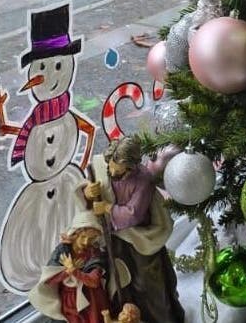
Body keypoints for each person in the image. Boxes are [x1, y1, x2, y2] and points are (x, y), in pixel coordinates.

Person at [83, 137, 185, 323]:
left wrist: (107, 207)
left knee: (148, 282)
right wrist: (88, 192)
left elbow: (133, 214)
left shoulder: (143, 180)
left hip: (140, 239)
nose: (112, 173)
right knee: (122, 280)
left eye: (118, 171)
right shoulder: (103, 167)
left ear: (131, 167)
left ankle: (159, 318)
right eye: (110, 168)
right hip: (116, 237)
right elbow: (90, 186)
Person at [29, 212, 131, 323]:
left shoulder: (94, 253)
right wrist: (67, 272)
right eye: (83, 237)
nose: (86, 242)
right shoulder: (62, 250)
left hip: (93, 300)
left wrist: (74, 271)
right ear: (75, 234)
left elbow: (94, 281)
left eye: (91, 239)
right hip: (71, 300)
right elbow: (49, 280)